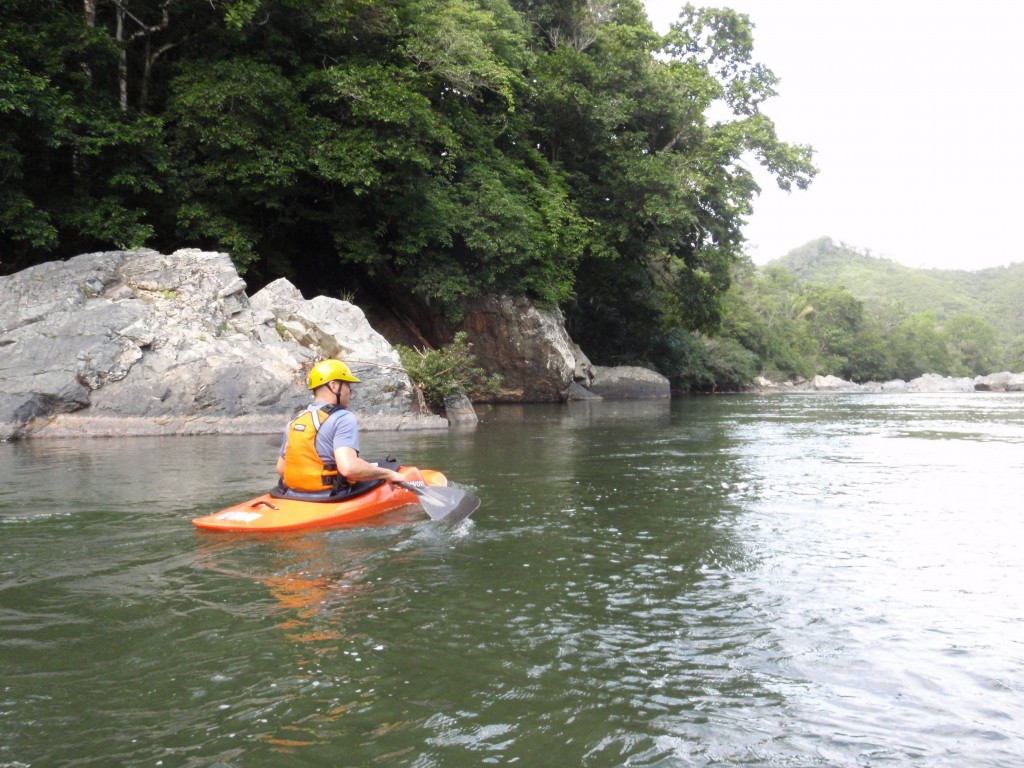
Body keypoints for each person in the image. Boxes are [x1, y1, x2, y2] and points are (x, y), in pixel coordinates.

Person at [275, 359, 405, 498]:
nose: (350, 391)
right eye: (347, 385)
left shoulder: (294, 421)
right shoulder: (343, 418)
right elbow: (349, 468)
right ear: (334, 386)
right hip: (329, 497)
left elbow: (281, 469)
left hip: (292, 496)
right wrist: (388, 473)